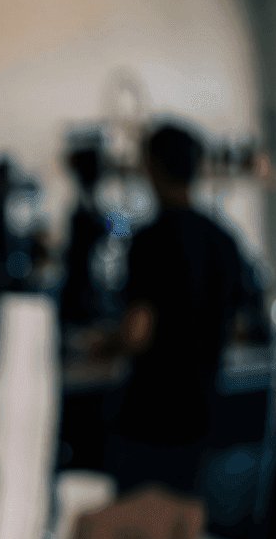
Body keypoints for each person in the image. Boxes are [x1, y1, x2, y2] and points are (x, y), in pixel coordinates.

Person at [99, 124, 250, 496]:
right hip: (200, 415)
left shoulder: (151, 240)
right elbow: (239, 326)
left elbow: (137, 332)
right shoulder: (224, 239)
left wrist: (103, 345)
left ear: (150, 167)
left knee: (130, 532)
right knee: (176, 529)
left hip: (151, 418)